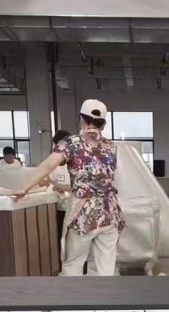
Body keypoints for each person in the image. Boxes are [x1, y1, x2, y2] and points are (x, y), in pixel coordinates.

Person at [16, 100, 123, 276]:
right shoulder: (111, 146)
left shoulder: (71, 143)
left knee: (73, 265)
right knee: (106, 269)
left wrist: (24, 188)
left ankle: (72, 295)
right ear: (103, 123)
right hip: (110, 212)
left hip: (83, 214)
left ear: (82, 118)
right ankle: (106, 294)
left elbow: (49, 164)